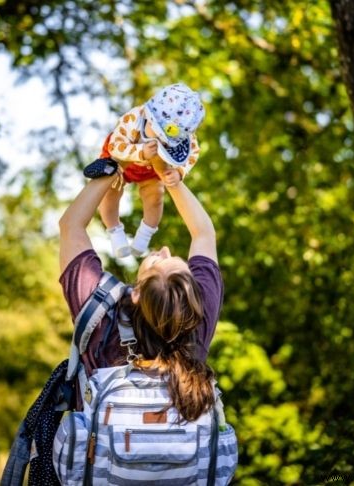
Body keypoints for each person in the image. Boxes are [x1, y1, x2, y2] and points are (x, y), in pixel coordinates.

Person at [59, 157, 222, 422]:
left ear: (136, 293)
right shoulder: (198, 324)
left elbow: (70, 226)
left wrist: (113, 163)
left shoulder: (100, 316)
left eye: (158, 260)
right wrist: (170, 176)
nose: (165, 249)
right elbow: (203, 233)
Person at [88, 82, 204, 258]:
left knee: (155, 195)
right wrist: (139, 152)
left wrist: (180, 171)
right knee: (110, 191)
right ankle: (114, 230)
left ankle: (145, 233)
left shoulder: (183, 132)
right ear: (149, 116)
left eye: (166, 142)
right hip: (122, 156)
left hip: (151, 165)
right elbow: (115, 146)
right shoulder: (132, 119)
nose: (160, 142)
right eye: (157, 134)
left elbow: (193, 152)